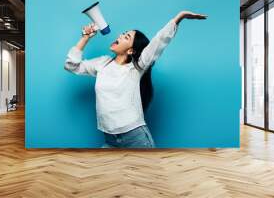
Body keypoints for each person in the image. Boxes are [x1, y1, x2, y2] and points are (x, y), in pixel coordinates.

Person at [64, 11, 207, 148]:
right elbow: (71, 66)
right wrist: (85, 38)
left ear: (131, 51)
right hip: (109, 139)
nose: (121, 35)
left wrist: (179, 17)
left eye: (126, 37)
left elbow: (159, 41)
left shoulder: (136, 67)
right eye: (123, 34)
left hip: (134, 137)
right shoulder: (102, 63)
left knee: (149, 173)